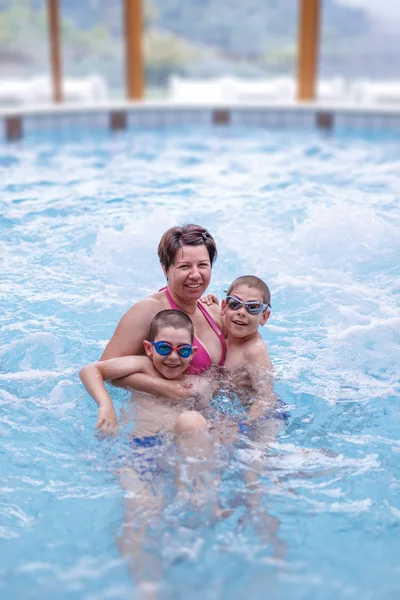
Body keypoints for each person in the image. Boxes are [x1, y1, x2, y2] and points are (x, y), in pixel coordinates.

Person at [99, 224, 227, 402]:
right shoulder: (148, 311)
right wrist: (163, 388)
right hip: (165, 419)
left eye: (203, 265)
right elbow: (103, 372)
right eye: (185, 266)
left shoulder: (213, 311)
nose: (196, 274)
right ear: (165, 269)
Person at [80, 309, 210, 437]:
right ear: (149, 348)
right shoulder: (144, 366)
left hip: (178, 446)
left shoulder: (198, 384)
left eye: (184, 350)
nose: (174, 356)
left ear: (192, 353)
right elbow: (90, 370)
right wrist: (105, 405)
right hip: (142, 444)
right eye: (164, 348)